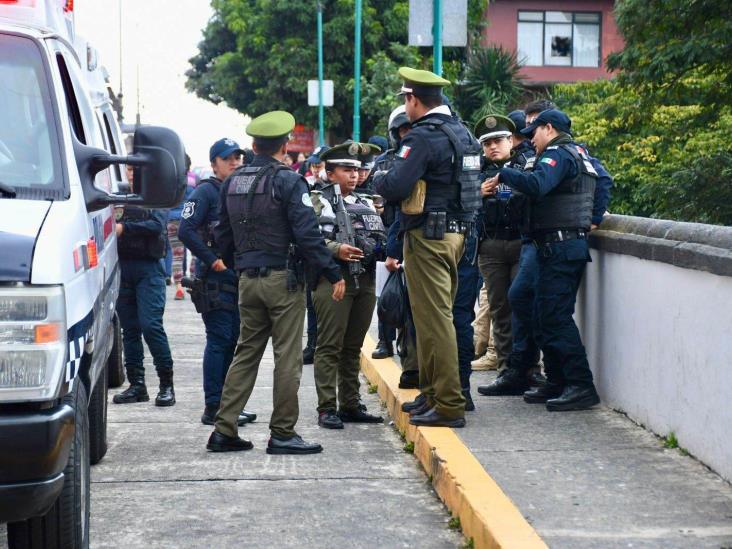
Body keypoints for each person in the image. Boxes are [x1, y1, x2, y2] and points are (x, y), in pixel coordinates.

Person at [207, 110, 345, 454]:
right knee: (287, 358)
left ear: (253, 145)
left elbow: (221, 234)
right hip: (282, 280)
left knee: (245, 353)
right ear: (285, 144)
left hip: (247, 280)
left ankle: (224, 429)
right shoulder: (287, 180)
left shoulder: (232, 182)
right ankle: (282, 432)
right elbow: (307, 234)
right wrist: (331, 271)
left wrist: (239, 264)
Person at [373, 67, 482, 427]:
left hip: (428, 238)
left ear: (413, 100)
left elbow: (394, 184)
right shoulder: (462, 132)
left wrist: (379, 177)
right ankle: (433, 395)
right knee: (435, 317)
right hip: (457, 236)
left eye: (406, 100)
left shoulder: (422, 137)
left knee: (434, 320)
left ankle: (448, 403)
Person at [482, 109, 600, 411]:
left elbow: (537, 185)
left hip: (560, 247)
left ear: (549, 128)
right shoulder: (578, 153)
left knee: (555, 317)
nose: (530, 139)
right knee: (540, 311)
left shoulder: (559, 154)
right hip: (556, 246)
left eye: (534, 132)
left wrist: (505, 173)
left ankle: (580, 384)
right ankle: (558, 381)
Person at [178, 137, 257, 426]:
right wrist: (212, 260)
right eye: (228, 159)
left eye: (238, 158)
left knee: (234, 341)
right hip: (214, 280)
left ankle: (229, 405)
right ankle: (213, 406)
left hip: (238, 278)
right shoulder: (205, 192)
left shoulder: (240, 190)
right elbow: (186, 230)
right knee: (219, 340)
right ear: (214, 164)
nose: (235, 163)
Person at [311, 142, 385, 429]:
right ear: (329, 172)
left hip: (364, 279)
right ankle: (327, 407)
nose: (354, 175)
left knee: (353, 347)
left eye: (356, 169)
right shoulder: (318, 200)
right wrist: (336, 250)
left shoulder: (365, 202)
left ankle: (350, 404)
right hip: (334, 279)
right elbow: (310, 240)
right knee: (329, 346)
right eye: (346, 169)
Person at [113, 165, 176, 407]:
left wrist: (125, 228)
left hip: (149, 270)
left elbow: (156, 225)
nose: (132, 174)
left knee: (151, 326)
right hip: (124, 268)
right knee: (129, 330)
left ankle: (166, 385)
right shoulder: (118, 196)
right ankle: (137, 385)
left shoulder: (156, 196)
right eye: (129, 169)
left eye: (138, 169)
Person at [473, 114, 524, 383]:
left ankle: (527, 368)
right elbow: (459, 202)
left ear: (511, 141)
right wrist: (477, 193)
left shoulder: (526, 165)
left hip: (520, 242)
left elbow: (534, 194)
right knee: (499, 309)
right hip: (490, 246)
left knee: (523, 304)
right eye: (487, 143)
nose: (493, 147)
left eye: (498, 141)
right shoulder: (475, 172)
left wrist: (507, 189)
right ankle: (505, 370)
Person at [372, 106, 411, 362]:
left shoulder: (419, 156)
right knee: (386, 294)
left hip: (410, 232)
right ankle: (385, 340)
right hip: (386, 233)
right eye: (403, 130)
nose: (407, 133)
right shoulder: (384, 160)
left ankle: (407, 346)